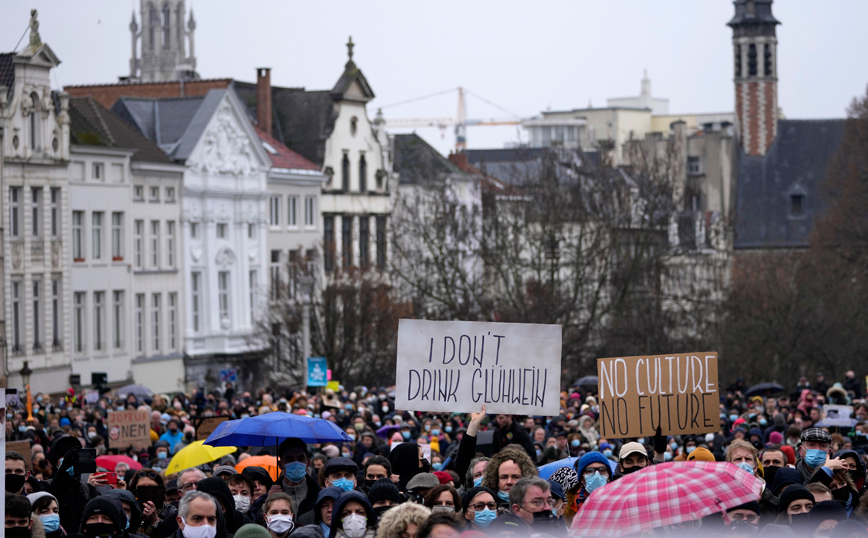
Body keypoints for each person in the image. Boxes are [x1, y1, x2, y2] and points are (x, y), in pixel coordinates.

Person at [564, 452, 613, 524]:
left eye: (602, 470)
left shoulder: (621, 503)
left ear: (609, 477)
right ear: (581, 478)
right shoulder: (570, 511)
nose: (597, 475)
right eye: (589, 471)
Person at [130, 468, 173, 538]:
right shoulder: (129, 510)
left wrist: (156, 521)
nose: (147, 492)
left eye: (152, 487)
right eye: (142, 488)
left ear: (160, 490)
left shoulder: (170, 512)